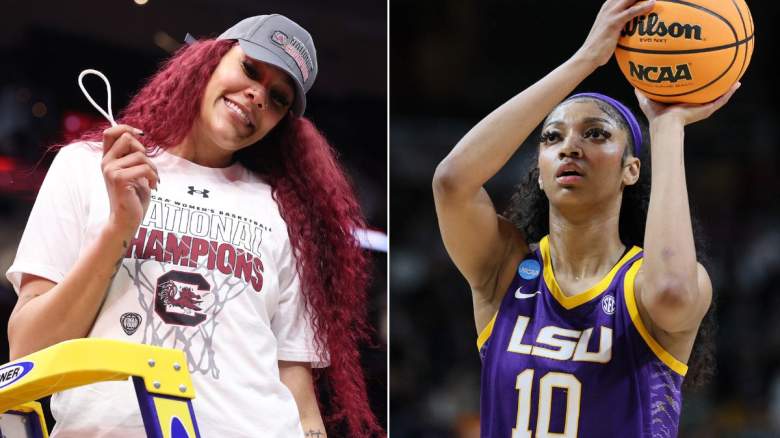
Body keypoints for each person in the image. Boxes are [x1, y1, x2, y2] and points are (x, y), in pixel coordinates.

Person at [5, 14, 382, 438]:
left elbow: (295, 388)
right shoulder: (90, 167)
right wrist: (119, 228)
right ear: (207, 61)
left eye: (278, 98)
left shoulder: (284, 214)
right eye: (250, 68)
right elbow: (28, 350)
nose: (258, 95)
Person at [432, 0, 736, 436]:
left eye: (595, 133)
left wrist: (667, 127)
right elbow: (451, 182)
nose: (570, 147)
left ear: (631, 169)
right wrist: (585, 59)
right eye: (553, 138)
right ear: (539, 171)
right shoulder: (506, 271)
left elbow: (672, 291)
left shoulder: (645, 285)